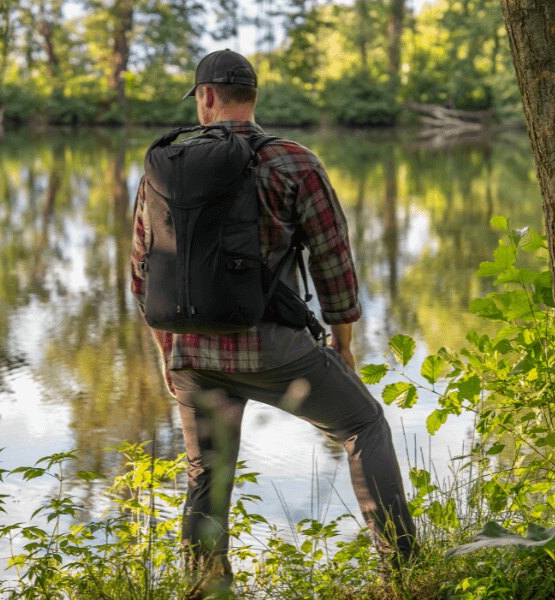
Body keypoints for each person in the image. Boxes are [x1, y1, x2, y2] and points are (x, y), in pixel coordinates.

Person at [130, 49, 416, 597]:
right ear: (253, 96)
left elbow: (143, 273)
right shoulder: (294, 161)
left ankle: (207, 585)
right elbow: (333, 260)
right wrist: (342, 343)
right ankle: (402, 572)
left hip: (191, 356)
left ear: (206, 96)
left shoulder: (162, 167)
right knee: (363, 425)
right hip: (277, 353)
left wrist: (169, 354)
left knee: (206, 473)